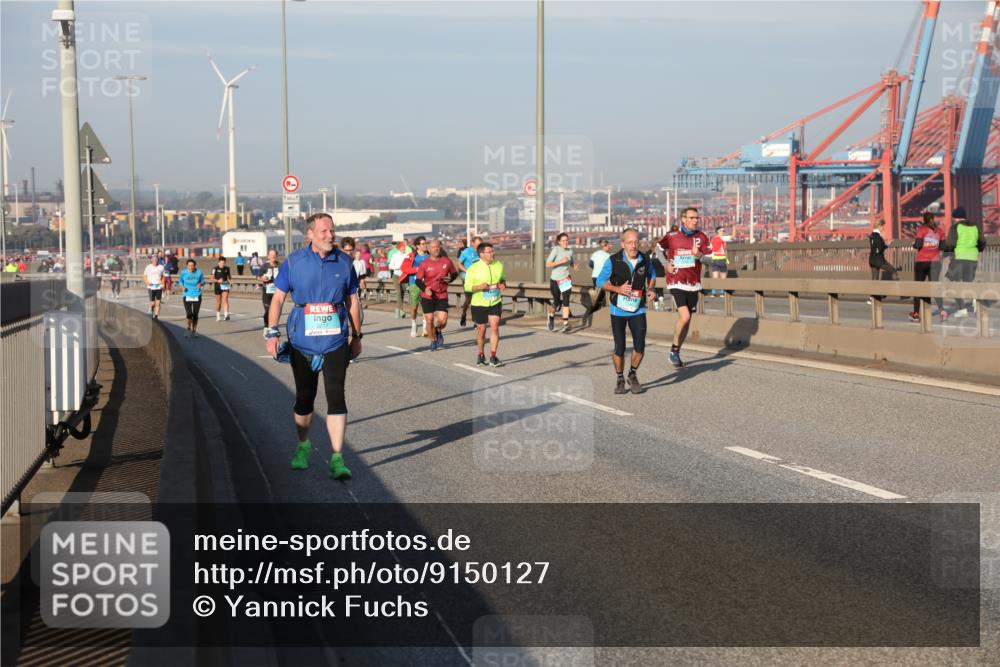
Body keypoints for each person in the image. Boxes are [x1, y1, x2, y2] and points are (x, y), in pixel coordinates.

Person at [264, 212, 362, 480]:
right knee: (305, 398)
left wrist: (357, 336)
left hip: (335, 340)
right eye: (324, 232)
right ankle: (304, 444)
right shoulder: (294, 262)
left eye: (333, 231)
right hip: (302, 341)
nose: (331, 236)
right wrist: (271, 333)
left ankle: (337, 457)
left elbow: (353, 300)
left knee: (336, 395)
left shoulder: (344, 261)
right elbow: (278, 298)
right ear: (310, 234)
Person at [597, 228, 656, 394]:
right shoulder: (613, 260)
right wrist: (617, 289)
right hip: (618, 310)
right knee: (620, 348)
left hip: (638, 309)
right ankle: (620, 378)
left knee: (640, 347)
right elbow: (600, 281)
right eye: (630, 242)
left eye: (636, 241)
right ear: (623, 244)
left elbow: (652, 274)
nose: (634, 245)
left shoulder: (644, 259)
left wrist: (651, 289)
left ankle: (632, 374)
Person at [659, 207, 711, 368]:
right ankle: (674, 349)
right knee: (685, 316)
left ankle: (675, 351)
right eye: (691, 217)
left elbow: (712, 261)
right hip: (676, 281)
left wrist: (699, 256)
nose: (695, 220)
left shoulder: (701, 237)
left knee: (687, 321)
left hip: (693, 283)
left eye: (696, 218)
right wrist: (665, 263)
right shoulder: (672, 236)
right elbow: (658, 249)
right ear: (683, 219)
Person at [464, 242, 506, 367]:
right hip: (479, 303)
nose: (493, 253)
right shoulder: (473, 268)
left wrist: (503, 284)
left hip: (495, 301)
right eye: (489, 252)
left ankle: (493, 356)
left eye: (493, 251)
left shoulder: (498, 265)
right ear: (481, 254)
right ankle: (481, 354)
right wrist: (480, 287)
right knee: (481, 330)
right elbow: (467, 287)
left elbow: (503, 278)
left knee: (495, 327)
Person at [941, 206, 986, 319]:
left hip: (959, 257)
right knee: (968, 282)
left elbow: (950, 244)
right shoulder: (975, 226)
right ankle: (975, 299)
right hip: (972, 258)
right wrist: (978, 250)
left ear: (955, 218)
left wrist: (946, 252)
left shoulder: (955, 227)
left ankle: (962, 309)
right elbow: (982, 241)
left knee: (953, 282)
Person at [416, 239, 458, 351]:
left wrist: (450, 279)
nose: (436, 248)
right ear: (429, 249)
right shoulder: (424, 264)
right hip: (428, 296)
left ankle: (438, 330)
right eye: (433, 247)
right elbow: (418, 280)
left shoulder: (447, 261)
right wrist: (425, 289)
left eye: (438, 246)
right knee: (429, 320)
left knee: (442, 321)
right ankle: (433, 340)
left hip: (442, 295)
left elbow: (454, 274)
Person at [911, 211, 945, 323]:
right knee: (935, 286)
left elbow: (918, 245)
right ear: (933, 219)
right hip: (935, 262)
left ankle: (916, 314)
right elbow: (943, 246)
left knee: (918, 287)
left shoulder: (922, 230)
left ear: (924, 220)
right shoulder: (940, 231)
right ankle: (942, 311)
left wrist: (913, 244)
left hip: (922, 262)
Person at [545, 232, 577, 333]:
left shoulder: (570, 251)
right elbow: (548, 264)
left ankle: (565, 324)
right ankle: (551, 316)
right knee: (557, 302)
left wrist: (574, 265)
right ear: (559, 242)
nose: (565, 242)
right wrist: (560, 262)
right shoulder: (556, 250)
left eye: (567, 240)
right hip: (555, 280)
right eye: (563, 240)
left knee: (566, 301)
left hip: (566, 279)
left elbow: (570, 261)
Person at [399, 237, 430, 337]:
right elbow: (404, 268)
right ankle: (413, 324)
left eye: (425, 243)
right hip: (414, 284)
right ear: (417, 246)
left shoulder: (429, 256)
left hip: (426, 284)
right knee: (414, 307)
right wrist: (417, 269)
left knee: (426, 306)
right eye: (422, 244)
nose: (425, 245)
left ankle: (425, 328)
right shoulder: (412, 256)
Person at [178, 258, 205, 338]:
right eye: (189, 266)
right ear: (187, 266)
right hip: (187, 294)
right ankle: (188, 328)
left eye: (192, 266)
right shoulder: (183, 272)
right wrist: (182, 287)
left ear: (194, 266)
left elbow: (203, 281)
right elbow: (180, 281)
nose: (191, 267)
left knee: (195, 314)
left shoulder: (199, 272)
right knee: (189, 314)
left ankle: (194, 331)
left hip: (197, 294)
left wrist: (200, 284)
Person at [458, 236, 481, 327]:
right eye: (478, 244)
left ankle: (475, 320)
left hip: (479, 278)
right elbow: (459, 263)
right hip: (467, 278)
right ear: (472, 243)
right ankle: (464, 313)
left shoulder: (482, 252)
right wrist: (466, 271)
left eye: (480, 244)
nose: (479, 246)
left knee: (477, 298)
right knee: (469, 299)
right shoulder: (466, 252)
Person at [387, 239, 412, 318]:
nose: (403, 248)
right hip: (396, 275)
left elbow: (409, 265)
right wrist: (398, 267)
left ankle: (398, 310)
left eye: (404, 247)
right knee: (398, 292)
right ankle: (401, 310)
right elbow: (390, 266)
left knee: (403, 292)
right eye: (402, 247)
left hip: (404, 276)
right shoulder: (395, 255)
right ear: (399, 248)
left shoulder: (407, 255)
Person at [258, 248, 281, 326]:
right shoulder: (264, 266)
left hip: (277, 292)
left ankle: (273, 326)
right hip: (267, 291)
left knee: (276, 310)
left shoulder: (280, 266)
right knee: (268, 310)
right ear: (268, 256)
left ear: (276, 256)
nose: (273, 256)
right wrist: (262, 279)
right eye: (271, 255)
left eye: (274, 255)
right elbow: (258, 277)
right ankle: (266, 326)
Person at [588, 239, 612, 311]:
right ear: (605, 246)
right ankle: (595, 311)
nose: (609, 247)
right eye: (608, 246)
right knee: (601, 296)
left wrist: (596, 268)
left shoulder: (595, 253)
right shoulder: (608, 256)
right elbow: (610, 267)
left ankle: (595, 309)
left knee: (597, 294)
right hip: (603, 277)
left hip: (594, 276)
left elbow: (590, 264)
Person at [143, 255, 165, 319]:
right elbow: (144, 276)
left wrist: (162, 284)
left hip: (158, 287)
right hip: (151, 287)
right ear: (151, 260)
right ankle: (151, 311)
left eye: (156, 259)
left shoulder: (161, 267)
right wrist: (147, 282)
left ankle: (156, 316)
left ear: (158, 260)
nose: (155, 261)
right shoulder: (148, 267)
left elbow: (163, 276)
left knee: (158, 303)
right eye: (154, 259)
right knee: (152, 303)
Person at [709, 226, 728, 297]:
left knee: (715, 277)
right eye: (723, 231)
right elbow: (725, 249)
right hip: (722, 259)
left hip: (714, 259)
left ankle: (713, 292)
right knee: (723, 277)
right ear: (719, 231)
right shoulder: (723, 239)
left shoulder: (712, 239)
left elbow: (711, 249)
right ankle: (722, 292)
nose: (723, 232)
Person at [212, 257, 232, 321]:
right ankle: (218, 315)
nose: (222, 264)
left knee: (225, 299)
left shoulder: (227, 268)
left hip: (225, 285)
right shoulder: (215, 269)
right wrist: (218, 281)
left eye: (223, 263)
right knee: (218, 302)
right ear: (218, 262)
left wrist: (230, 281)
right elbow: (211, 278)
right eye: (221, 263)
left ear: (225, 263)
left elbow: (229, 277)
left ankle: (226, 315)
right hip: (217, 286)